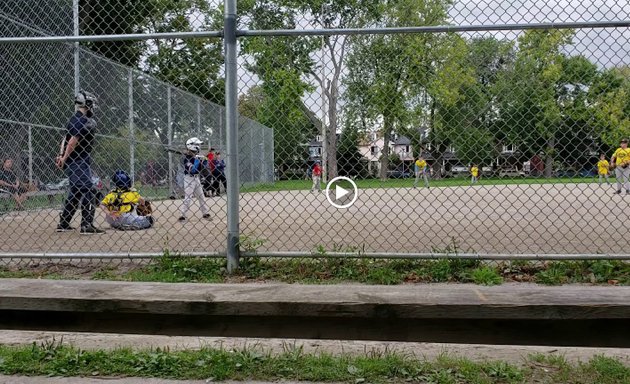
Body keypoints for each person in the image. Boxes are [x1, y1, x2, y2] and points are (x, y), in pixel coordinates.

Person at [55, 91, 104, 234]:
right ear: (87, 104)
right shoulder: (80, 120)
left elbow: (64, 138)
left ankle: (64, 223)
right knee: (88, 189)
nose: (93, 106)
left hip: (77, 161)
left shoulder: (74, 119)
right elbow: (72, 141)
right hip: (78, 161)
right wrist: (63, 158)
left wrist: (61, 155)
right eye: (92, 103)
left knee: (76, 191)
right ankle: (86, 225)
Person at [179, 137, 210, 222]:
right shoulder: (187, 159)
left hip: (196, 178)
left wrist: (204, 161)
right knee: (188, 197)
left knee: (201, 196)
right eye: (197, 144)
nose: (199, 146)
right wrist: (197, 160)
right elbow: (193, 170)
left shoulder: (196, 156)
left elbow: (203, 169)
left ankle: (205, 213)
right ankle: (182, 215)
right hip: (189, 179)